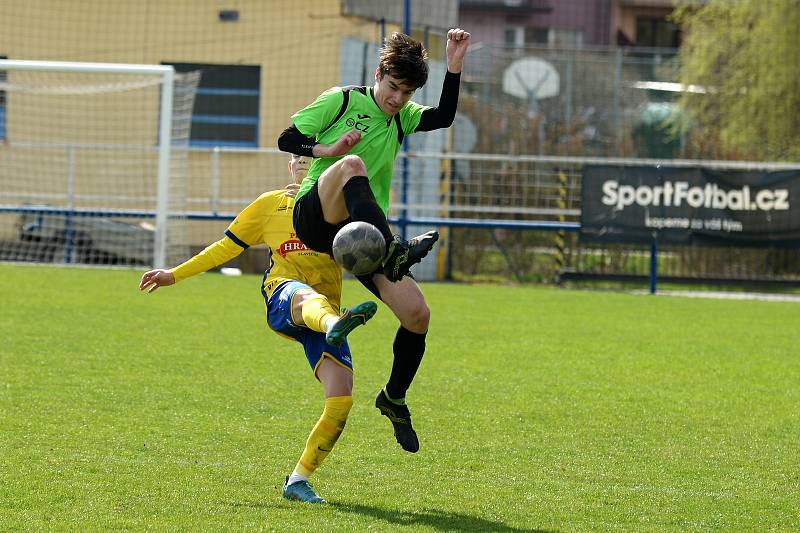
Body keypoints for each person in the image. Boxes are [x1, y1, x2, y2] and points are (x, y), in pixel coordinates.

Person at [138, 154, 376, 504]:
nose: (304, 164)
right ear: (289, 166)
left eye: (313, 159)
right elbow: (225, 248)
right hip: (284, 294)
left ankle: (297, 480)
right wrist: (174, 274)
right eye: (298, 158)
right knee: (304, 295)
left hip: (324, 310)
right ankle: (335, 324)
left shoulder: (341, 209)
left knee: (341, 399)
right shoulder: (269, 205)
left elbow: (373, 241)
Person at [277, 29, 470, 453]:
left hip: (361, 235)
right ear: (378, 74)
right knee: (351, 162)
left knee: (417, 314)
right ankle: (395, 249)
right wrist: (325, 148)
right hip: (316, 212)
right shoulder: (341, 100)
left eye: (407, 92)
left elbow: (443, 117)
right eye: (394, 87)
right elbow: (286, 139)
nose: (399, 99)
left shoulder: (401, 116)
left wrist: (453, 64)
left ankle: (394, 398)